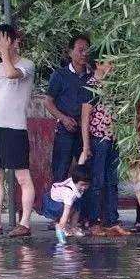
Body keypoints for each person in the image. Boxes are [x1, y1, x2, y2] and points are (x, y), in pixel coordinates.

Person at [0, 24, 37, 237]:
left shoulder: (27, 65)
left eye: (2, 44)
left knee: (22, 176)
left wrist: (6, 53)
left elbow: (12, 73)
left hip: (16, 128)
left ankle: (25, 223)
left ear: (13, 43)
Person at [44, 33, 93, 225]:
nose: (83, 53)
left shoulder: (92, 77)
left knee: (84, 174)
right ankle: (56, 216)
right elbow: (48, 102)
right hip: (65, 130)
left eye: (86, 50)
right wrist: (63, 118)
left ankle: (80, 218)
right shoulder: (60, 75)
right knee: (61, 173)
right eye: (80, 49)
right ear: (70, 52)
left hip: (85, 132)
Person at [77, 59, 129, 235]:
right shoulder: (92, 86)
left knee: (112, 181)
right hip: (98, 139)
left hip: (114, 138)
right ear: (98, 64)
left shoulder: (113, 86)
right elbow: (85, 117)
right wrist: (86, 145)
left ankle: (112, 221)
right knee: (97, 181)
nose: (112, 67)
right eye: (109, 63)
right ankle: (93, 222)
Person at [50, 162, 92, 244]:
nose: (84, 187)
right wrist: (62, 225)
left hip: (64, 202)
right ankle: (62, 227)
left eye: (86, 185)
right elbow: (66, 211)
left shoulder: (76, 183)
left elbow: (81, 163)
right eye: (82, 185)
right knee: (72, 208)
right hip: (54, 204)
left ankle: (73, 227)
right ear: (75, 182)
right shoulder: (69, 193)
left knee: (77, 206)